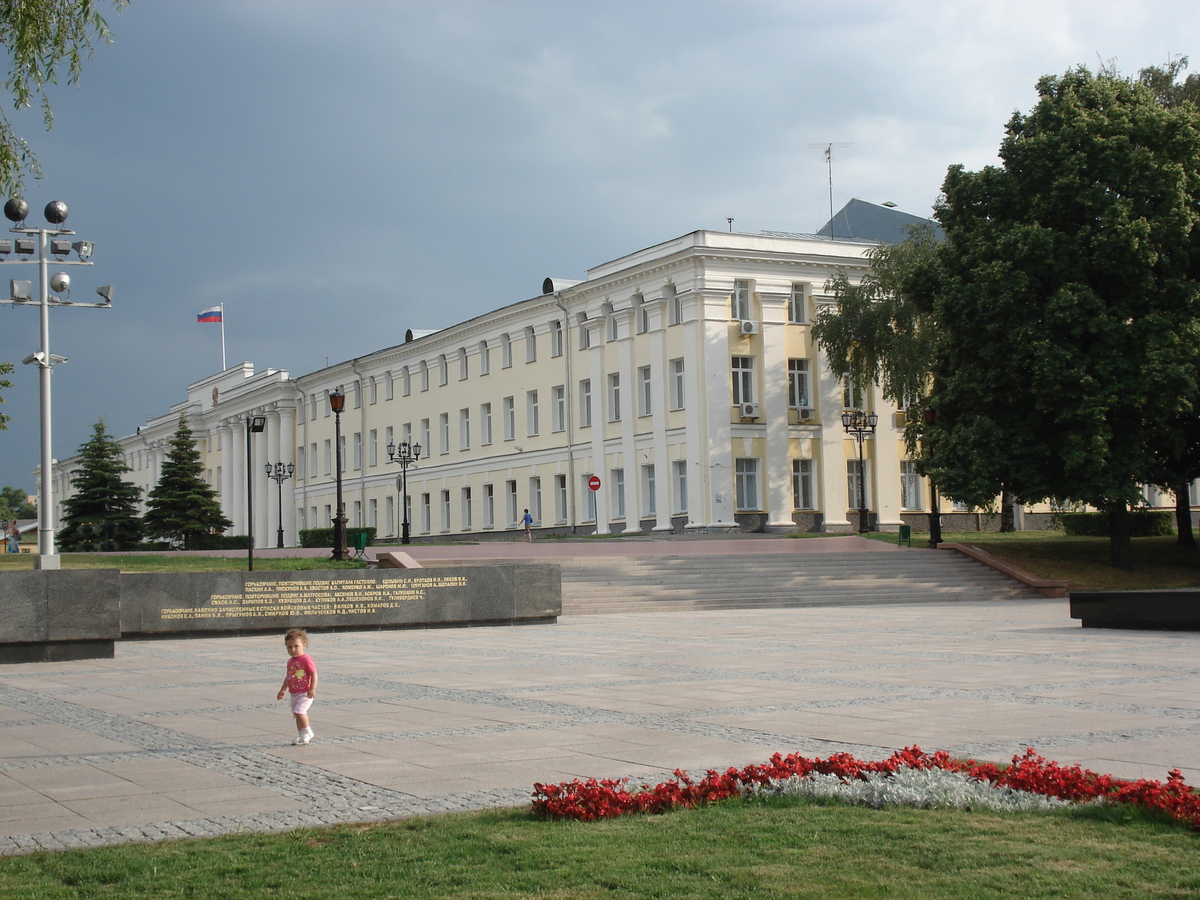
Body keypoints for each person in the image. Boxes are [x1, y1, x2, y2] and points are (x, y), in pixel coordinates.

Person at [277, 628, 318, 745]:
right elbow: (288, 677)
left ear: (304, 645)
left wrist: (312, 688)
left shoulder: (306, 660)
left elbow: (313, 674)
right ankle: (302, 735)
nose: (293, 650)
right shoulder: (290, 662)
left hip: (305, 692)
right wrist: (283, 690)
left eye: (296, 646)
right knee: (296, 714)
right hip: (294, 693)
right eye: (289, 647)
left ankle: (308, 732)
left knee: (300, 712)